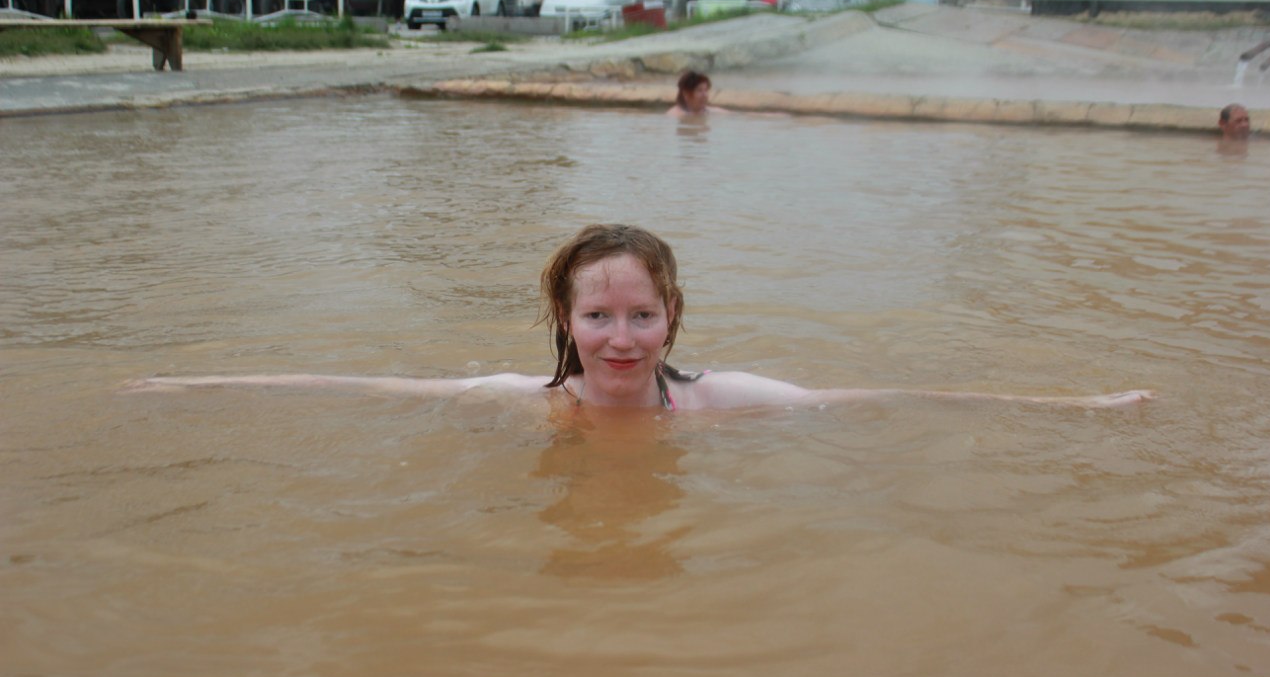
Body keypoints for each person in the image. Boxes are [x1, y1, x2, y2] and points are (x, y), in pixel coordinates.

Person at [127, 224, 1154, 412]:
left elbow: (884, 396)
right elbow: (363, 390)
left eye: (641, 315)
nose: (621, 338)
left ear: (670, 317)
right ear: (565, 321)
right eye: (599, 315)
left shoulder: (722, 402)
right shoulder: (522, 402)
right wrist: (192, 384)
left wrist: (1077, 403)